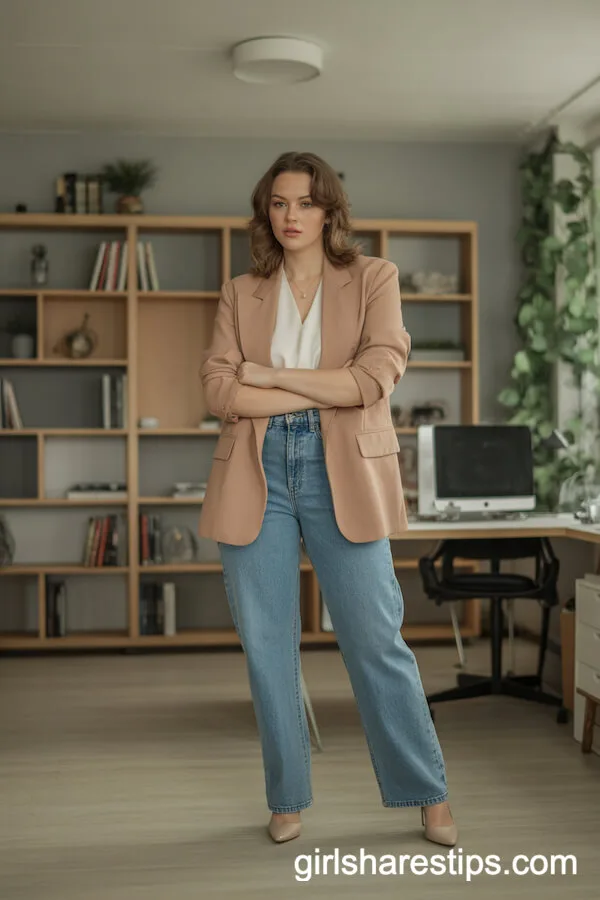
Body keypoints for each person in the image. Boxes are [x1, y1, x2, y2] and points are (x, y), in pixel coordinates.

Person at [198, 151, 457, 847]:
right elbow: (220, 390)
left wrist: (271, 380)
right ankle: (286, 798)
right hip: (257, 470)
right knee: (267, 647)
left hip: (342, 468)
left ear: (329, 211)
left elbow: (374, 379)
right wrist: (311, 382)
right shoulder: (240, 291)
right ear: (266, 211)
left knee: (376, 640)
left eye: (304, 203)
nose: (290, 216)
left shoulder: (374, 278)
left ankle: (427, 793)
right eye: (278, 203)